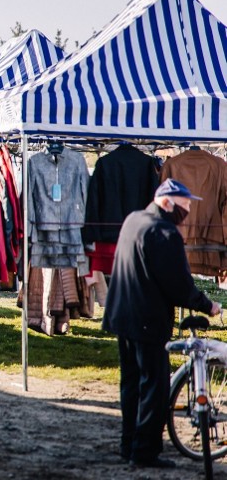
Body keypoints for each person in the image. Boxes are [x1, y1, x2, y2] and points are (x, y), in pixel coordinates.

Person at [102, 178, 222, 469]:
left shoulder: (134, 220)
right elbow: (178, 284)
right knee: (154, 386)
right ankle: (144, 451)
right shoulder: (163, 232)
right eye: (184, 205)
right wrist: (208, 306)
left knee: (131, 383)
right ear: (167, 202)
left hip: (122, 314)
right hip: (147, 320)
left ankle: (128, 443)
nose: (188, 211)